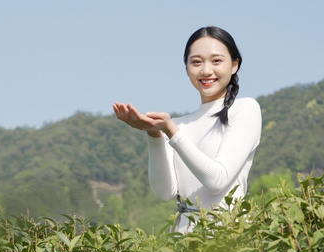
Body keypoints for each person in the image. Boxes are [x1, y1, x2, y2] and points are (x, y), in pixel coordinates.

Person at [112, 26, 262, 234]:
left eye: (216, 61)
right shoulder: (179, 125)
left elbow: (217, 180)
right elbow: (165, 193)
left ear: (234, 65)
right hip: (182, 246)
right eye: (196, 62)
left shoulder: (245, 109)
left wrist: (171, 131)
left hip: (227, 239)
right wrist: (155, 135)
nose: (206, 70)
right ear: (186, 68)